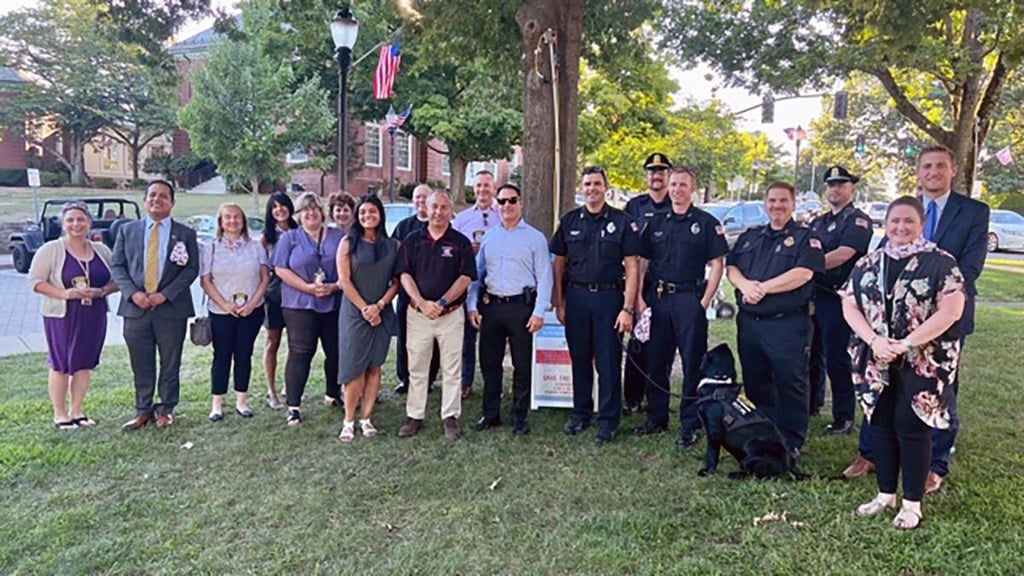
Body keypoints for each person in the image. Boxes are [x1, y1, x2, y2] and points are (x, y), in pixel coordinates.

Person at [843, 145, 989, 495]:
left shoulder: (973, 212)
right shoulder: (902, 211)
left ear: (953, 169)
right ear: (918, 171)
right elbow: (883, 262)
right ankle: (872, 454)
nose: (933, 172)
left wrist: (925, 315)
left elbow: (969, 268)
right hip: (887, 330)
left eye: (940, 166)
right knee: (882, 386)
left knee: (937, 393)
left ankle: (934, 464)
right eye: (926, 166)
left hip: (940, 324)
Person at [843, 196, 964, 531]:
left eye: (909, 220)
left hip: (922, 360)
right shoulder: (869, 262)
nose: (901, 227)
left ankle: (912, 503)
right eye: (895, 220)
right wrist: (874, 340)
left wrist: (907, 344)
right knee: (880, 424)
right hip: (876, 358)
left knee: (911, 428)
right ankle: (885, 495)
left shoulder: (941, 262)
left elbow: (951, 311)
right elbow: (849, 304)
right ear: (886, 224)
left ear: (922, 224)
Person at [726, 181, 824, 457]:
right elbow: (731, 267)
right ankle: (762, 435)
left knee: (790, 382)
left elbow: (803, 273)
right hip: (750, 324)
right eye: (772, 200)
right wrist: (745, 285)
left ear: (793, 204)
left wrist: (762, 289)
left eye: (783, 200)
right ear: (765, 203)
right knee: (756, 381)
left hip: (787, 324)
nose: (777, 205)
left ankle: (791, 442)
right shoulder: (751, 236)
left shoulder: (806, 238)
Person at [635, 167, 728, 447]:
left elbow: (717, 264)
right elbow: (642, 262)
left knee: (692, 363)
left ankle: (690, 423)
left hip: (689, 299)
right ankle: (656, 418)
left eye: (683, 185)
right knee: (656, 360)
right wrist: (639, 298)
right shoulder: (656, 222)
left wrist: (704, 301)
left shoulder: (705, 223)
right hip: (659, 298)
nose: (677, 189)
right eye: (674, 184)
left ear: (692, 189)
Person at [550, 166, 640, 445]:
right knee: (579, 359)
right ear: (582, 187)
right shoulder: (569, 221)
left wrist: (627, 308)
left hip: (609, 299)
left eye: (597, 183)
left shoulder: (622, 222)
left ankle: (609, 421)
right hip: (576, 298)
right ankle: (581, 414)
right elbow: (558, 264)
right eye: (587, 184)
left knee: (608, 362)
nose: (592, 188)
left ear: (606, 188)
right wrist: (559, 302)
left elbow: (632, 267)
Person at [111, 180, 200, 430]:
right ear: (145, 200)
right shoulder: (127, 231)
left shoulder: (185, 234)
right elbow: (117, 266)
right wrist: (133, 294)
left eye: (163, 196)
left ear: (172, 202)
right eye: (152, 195)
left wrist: (165, 295)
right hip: (135, 309)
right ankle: (143, 410)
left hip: (171, 309)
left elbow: (191, 269)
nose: (156, 200)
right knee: (141, 362)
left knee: (170, 362)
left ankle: (166, 409)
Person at [467, 183, 553, 435]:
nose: (507, 206)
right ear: (497, 205)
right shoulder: (489, 237)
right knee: (489, 363)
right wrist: (472, 306)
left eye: (512, 200)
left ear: (520, 202)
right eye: (502, 201)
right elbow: (476, 275)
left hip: (521, 308)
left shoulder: (535, 238)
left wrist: (539, 312)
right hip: (492, 307)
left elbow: (545, 277)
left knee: (522, 365)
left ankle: (519, 417)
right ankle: (490, 414)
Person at [28, 202, 118, 429]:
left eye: (80, 219)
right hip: (62, 315)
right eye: (70, 220)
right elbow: (35, 282)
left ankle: (77, 411)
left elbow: (117, 280)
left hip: (94, 313)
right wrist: (64, 294)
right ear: (63, 223)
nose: (76, 224)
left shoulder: (101, 250)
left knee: (84, 362)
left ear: (89, 222)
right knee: (61, 363)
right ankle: (60, 414)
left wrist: (101, 291)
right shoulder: (51, 250)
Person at [396, 190, 477, 440]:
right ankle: (414, 415)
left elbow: (466, 277)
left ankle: (450, 416)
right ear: (426, 208)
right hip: (418, 314)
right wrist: (422, 302)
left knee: (452, 367)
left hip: (450, 315)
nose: (438, 212)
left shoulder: (461, 242)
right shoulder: (412, 240)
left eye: (444, 207)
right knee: (417, 366)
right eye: (434, 207)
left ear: (450, 211)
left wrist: (442, 302)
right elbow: (404, 275)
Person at [808, 166, 873, 433]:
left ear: (851, 189)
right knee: (811, 353)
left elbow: (844, 254)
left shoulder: (858, 221)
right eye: (831, 184)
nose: (835, 189)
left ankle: (843, 416)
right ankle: (811, 404)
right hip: (815, 294)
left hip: (841, 299)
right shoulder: (818, 222)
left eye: (841, 184)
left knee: (837, 357)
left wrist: (805, 267)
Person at [271, 192, 344, 426]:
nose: (311, 213)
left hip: (333, 302)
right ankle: (293, 405)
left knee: (335, 350)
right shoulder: (289, 238)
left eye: (315, 208)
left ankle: (333, 393)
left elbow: (349, 267)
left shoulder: (338, 236)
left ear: (322, 212)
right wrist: (307, 288)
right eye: (305, 209)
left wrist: (335, 286)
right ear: (299, 214)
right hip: (299, 305)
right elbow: (280, 269)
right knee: (300, 352)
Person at [335, 195, 400, 442]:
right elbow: (344, 281)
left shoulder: (392, 245)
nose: (367, 216)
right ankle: (348, 421)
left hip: (382, 311)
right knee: (354, 368)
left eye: (372, 211)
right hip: (355, 312)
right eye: (362, 212)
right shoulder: (347, 244)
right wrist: (365, 309)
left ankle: (366, 418)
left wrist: (380, 306)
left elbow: (397, 282)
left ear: (380, 214)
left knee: (374, 366)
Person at [200, 203, 269, 422]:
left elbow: (265, 278)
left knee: (243, 354)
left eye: (237, 217)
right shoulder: (211, 247)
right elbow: (206, 281)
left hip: (251, 311)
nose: (232, 221)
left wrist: (252, 304)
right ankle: (217, 404)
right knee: (221, 356)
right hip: (221, 312)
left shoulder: (256, 246)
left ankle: (241, 401)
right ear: (220, 222)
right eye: (227, 217)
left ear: (243, 221)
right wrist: (225, 305)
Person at [622, 152, 674, 415]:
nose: (657, 176)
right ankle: (632, 397)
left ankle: (657, 397)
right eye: (652, 171)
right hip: (640, 283)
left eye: (661, 171)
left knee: (664, 345)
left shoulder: (676, 203)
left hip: (666, 284)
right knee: (638, 343)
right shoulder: (635, 206)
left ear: (668, 175)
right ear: (646, 176)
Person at [453, 170, 500, 399]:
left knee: (494, 337)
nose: (482, 190)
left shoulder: (503, 215)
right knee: (467, 336)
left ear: (494, 188)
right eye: (479, 185)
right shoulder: (462, 219)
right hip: (469, 283)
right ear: (474, 188)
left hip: (496, 283)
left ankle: (494, 383)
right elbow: (453, 249)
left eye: (486, 185)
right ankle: (465, 381)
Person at [392, 183, 440, 395]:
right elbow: (394, 258)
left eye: (425, 197)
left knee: (432, 339)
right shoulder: (404, 227)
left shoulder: (440, 226)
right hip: (407, 294)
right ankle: (405, 378)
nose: (421, 201)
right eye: (417, 197)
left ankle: (429, 378)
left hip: (433, 296)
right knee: (405, 337)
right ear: (413, 201)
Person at [261, 192, 298, 410]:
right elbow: (261, 270)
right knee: (272, 342)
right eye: (274, 207)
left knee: (295, 343)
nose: (279, 210)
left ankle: (288, 385)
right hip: (274, 295)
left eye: (282, 205)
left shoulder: (298, 231)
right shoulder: (266, 238)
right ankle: (271, 390)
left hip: (296, 295)